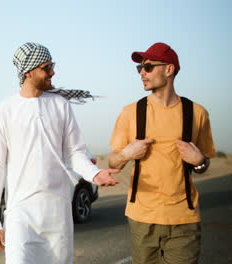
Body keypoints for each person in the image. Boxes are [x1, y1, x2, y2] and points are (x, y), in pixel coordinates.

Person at [0, 42, 120, 264]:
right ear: (28, 72)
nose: (53, 72)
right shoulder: (4, 110)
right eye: (46, 68)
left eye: (52, 66)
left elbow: (74, 152)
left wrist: (95, 174)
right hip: (20, 214)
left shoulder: (61, 105)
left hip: (58, 213)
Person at [108, 42, 215, 264]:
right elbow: (113, 163)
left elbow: (205, 165)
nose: (141, 74)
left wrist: (199, 161)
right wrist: (127, 153)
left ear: (169, 69)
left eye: (148, 67)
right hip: (142, 219)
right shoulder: (130, 113)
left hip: (184, 219)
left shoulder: (197, 113)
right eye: (140, 69)